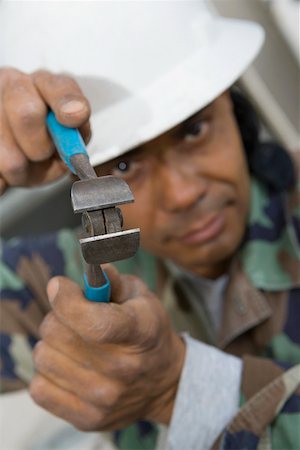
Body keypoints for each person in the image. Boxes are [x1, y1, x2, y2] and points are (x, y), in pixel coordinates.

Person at [0, 2, 299, 450]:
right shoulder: (58, 278)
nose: (182, 194)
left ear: (237, 113)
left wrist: (182, 390)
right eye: (124, 163)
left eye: (194, 131)